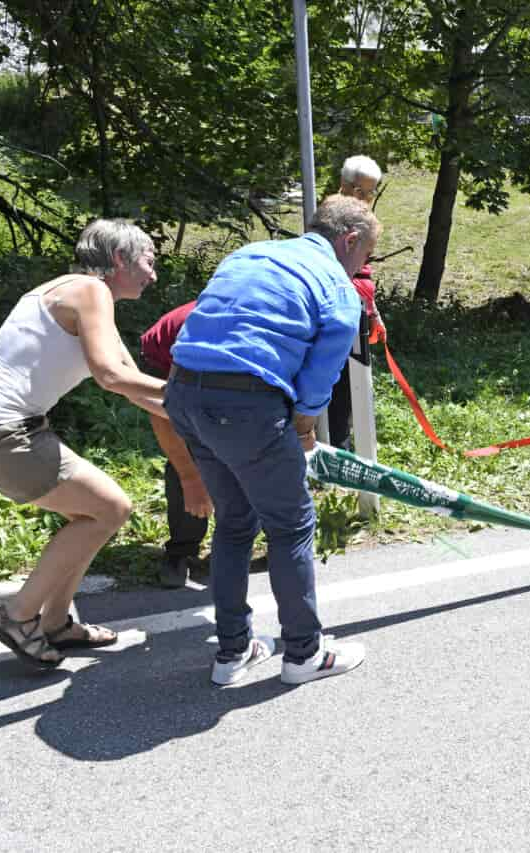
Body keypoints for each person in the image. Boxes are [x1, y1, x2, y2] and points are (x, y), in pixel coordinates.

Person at [165, 194, 378, 686]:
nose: (362, 266)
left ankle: (232, 653)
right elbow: (316, 387)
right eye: (365, 254)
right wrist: (302, 432)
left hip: (183, 393)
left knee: (236, 522)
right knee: (291, 524)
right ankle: (304, 653)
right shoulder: (338, 289)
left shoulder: (248, 255)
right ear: (349, 240)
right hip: (248, 405)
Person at [0, 220, 167, 669]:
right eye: (149, 261)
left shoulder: (82, 293)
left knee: (91, 513)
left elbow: (134, 385)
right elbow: (110, 377)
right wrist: (192, 401)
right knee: (111, 508)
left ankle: (55, 622)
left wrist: (195, 417)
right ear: (120, 260)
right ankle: (18, 617)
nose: (153, 273)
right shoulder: (89, 292)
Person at [140, 301, 211, 589]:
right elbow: (166, 416)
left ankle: (238, 544)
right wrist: (191, 478)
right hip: (163, 358)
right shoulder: (189, 337)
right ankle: (182, 549)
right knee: (191, 457)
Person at [328, 155, 387, 451]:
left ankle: (349, 448)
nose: (364, 199)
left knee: (354, 389)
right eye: (359, 191)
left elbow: (362, 271)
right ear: (344, 186)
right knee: (337, 387)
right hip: (334, 315)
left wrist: (373, 311)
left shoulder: (364, 222)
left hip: (358, 315)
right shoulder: (330, 218)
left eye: (370, 192)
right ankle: (337, 450)